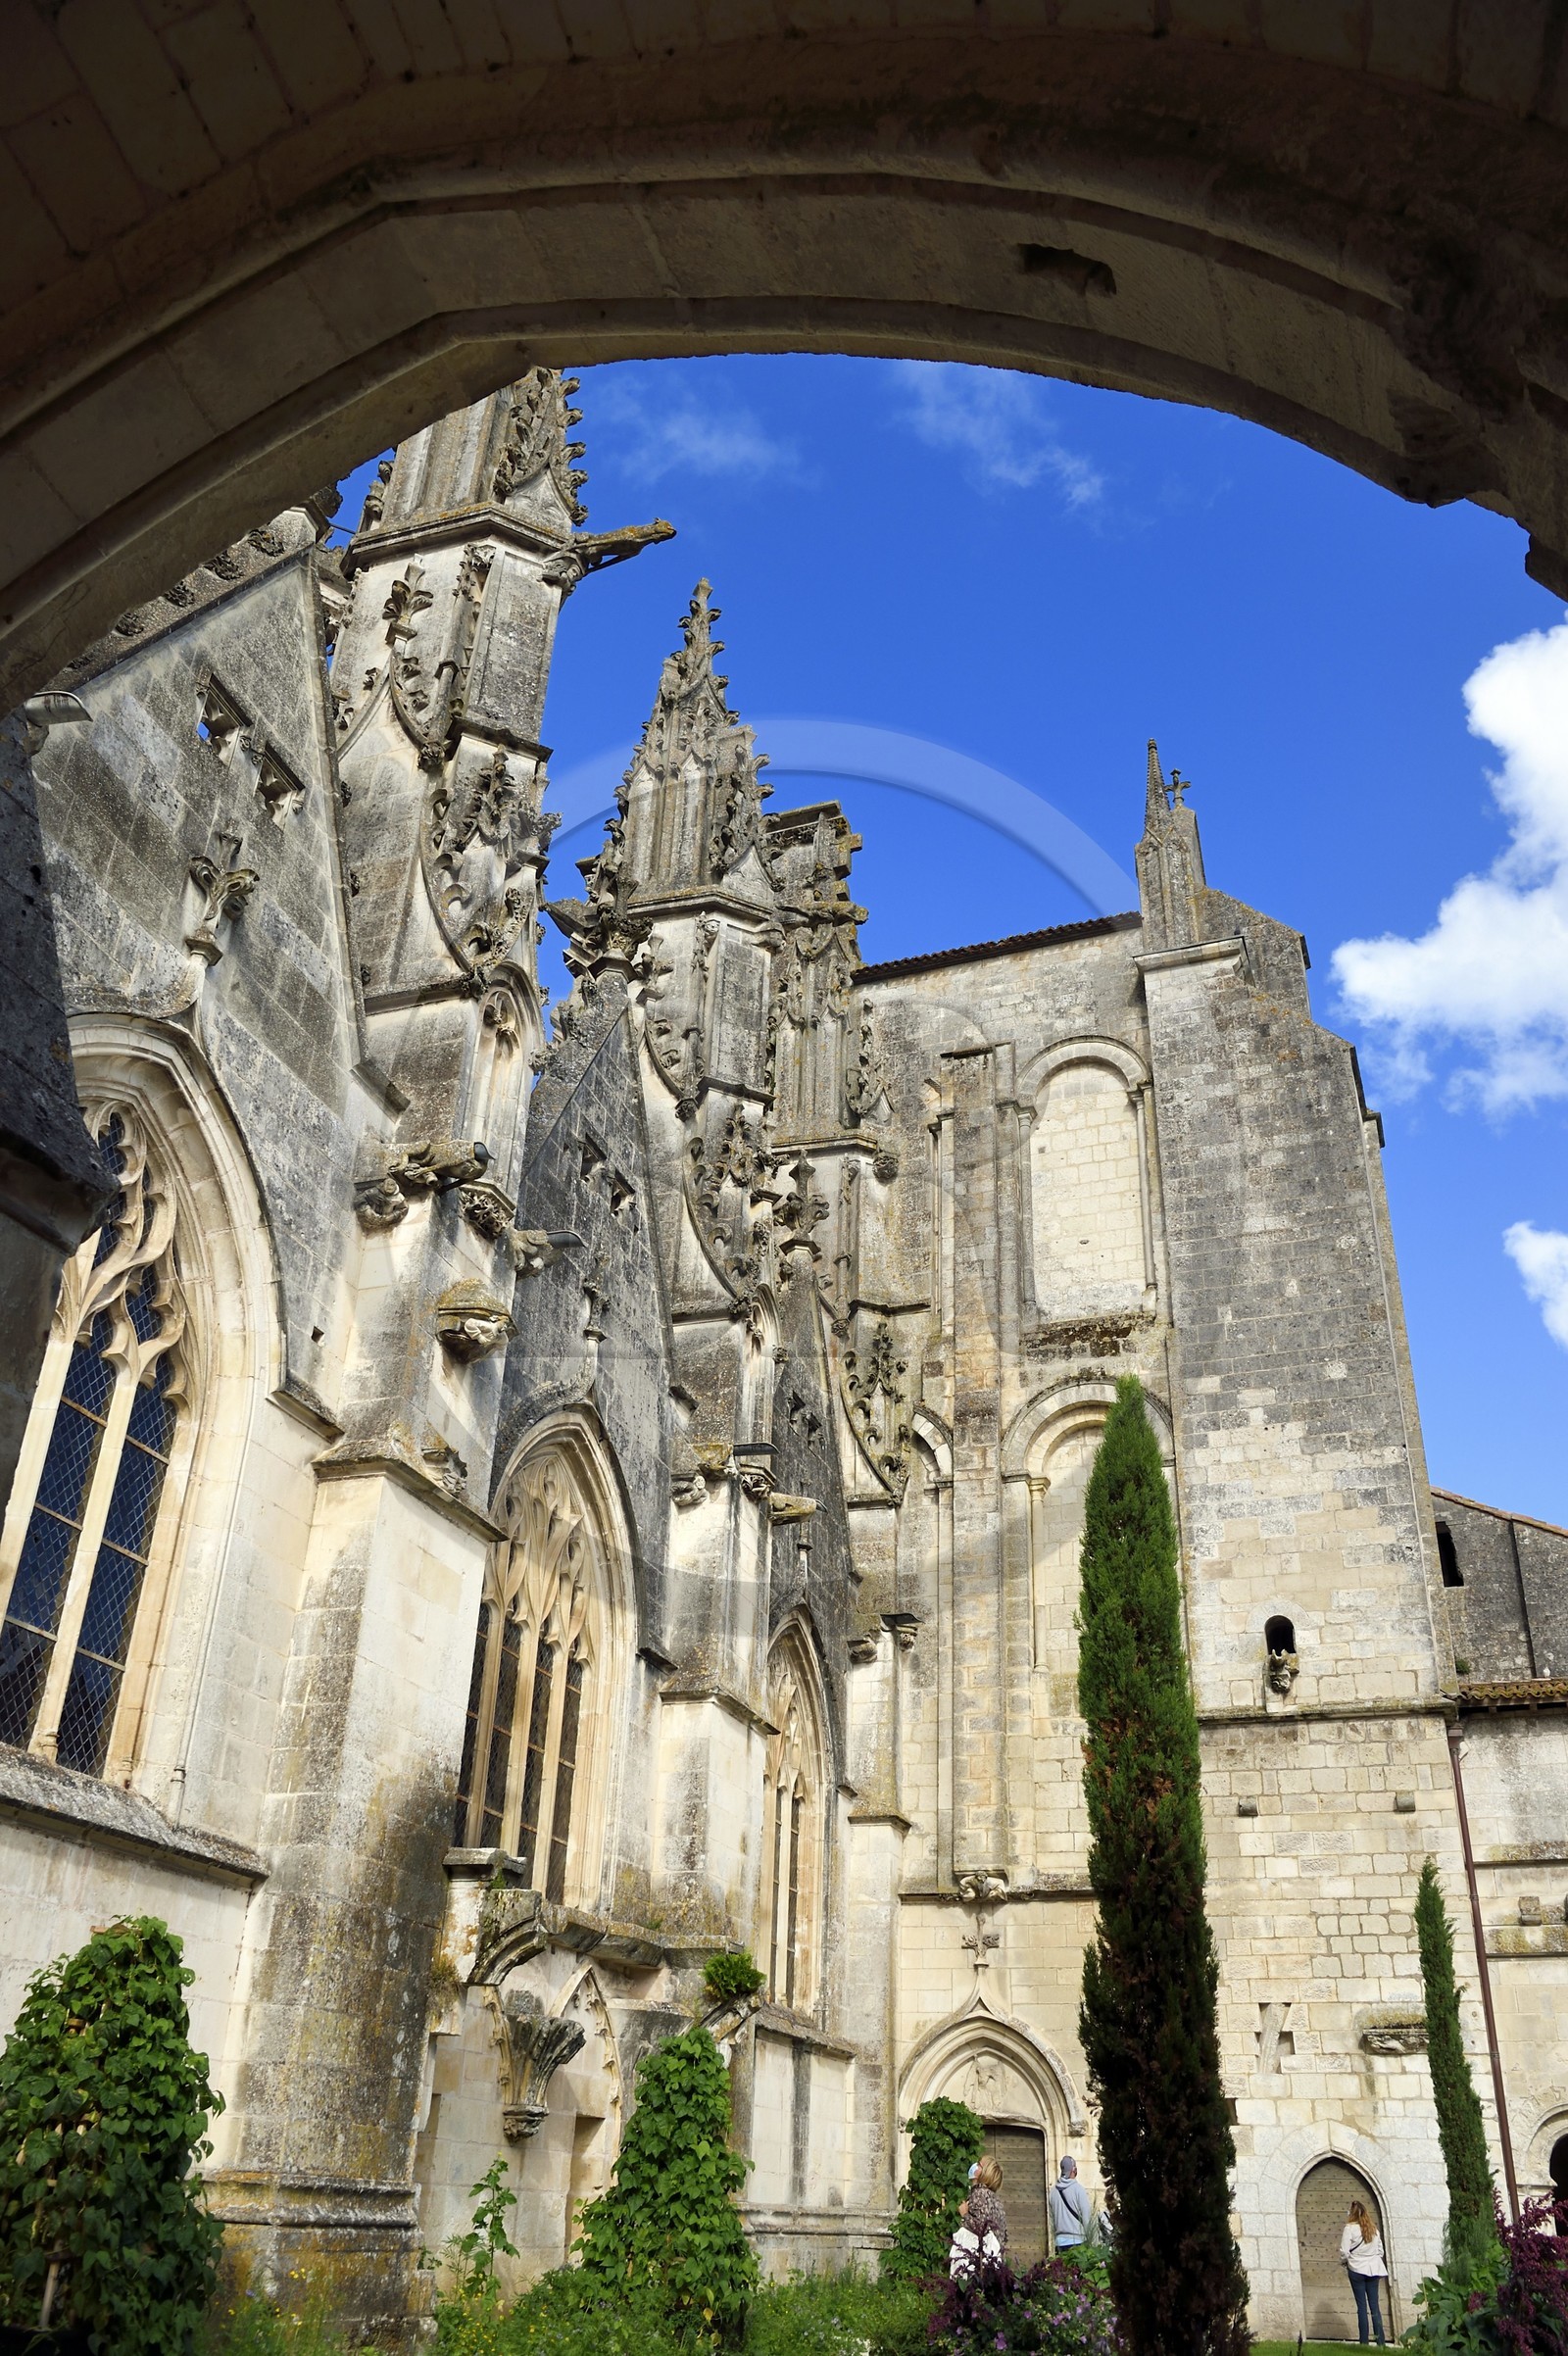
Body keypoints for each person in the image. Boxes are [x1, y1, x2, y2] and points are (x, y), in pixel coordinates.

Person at [1340, 2199, 1390, 2346]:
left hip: (1356, 2268)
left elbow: (1344, 2251)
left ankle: (1364, 2342)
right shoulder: (1373, 2229)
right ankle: (1381, 2342)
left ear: (1351, 2213)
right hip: (1374, 2269)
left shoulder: (1349, 2228)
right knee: (1375, 2306)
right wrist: (1371, 2259)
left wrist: (1346, 2261)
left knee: (1361, 2306)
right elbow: (1380, 2251)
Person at [1049, 2153, 1093, 2254]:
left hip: (1059, 2243)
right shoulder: (1079, 2190)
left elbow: (1052, 2220)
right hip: (1078, 2242)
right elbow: (1087, 2218)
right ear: (1074, 2170)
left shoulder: (1053, 2192)